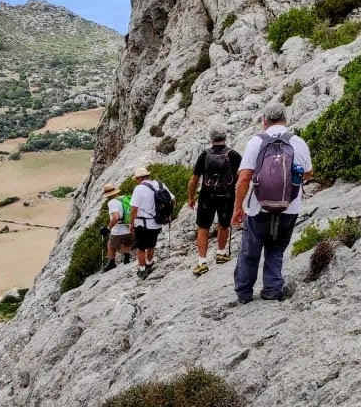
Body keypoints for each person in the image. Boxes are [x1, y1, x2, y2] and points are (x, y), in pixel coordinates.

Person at [231, 107, 313, 304]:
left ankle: (244, 293)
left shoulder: (257, 141)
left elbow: (244, 178)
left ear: (264, 121)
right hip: (289, 207)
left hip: (258, 207)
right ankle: (272, 289)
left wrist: (237, 208)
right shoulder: (298, 142)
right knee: (276, 249)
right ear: (285, 120)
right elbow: (308, 174)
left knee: (250, 250)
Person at [187, 126, 242, 276]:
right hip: (227, 196)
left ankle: (202, 262)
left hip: (207, 196)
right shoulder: (234, 155)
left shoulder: (205, 155)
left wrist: (191, 197)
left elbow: (194, 179)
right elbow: (242, 177)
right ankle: (221, 253)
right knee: (223, 224)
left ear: (210, 139)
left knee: (203, 228)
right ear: (225, 137)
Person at [129, 166, 175, 279]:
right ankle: (149, 264)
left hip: (142, 223)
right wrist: (169, 214)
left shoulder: (138, 188)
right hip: (157, 222)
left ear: (139, 178)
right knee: (151, 245)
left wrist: (131, 223)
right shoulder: (160, 184)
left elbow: (134, 209)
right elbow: (173, 199)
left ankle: (142, 269)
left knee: (140, 247)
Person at [99, 183, 133, 272]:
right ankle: (126, 259)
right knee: (126, 243)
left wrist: (108, 228)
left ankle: (112, 263)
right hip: (129, 228)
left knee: (110, 245)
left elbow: (116, 217)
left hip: (118, 230)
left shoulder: (112, 202)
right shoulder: (124, 198)